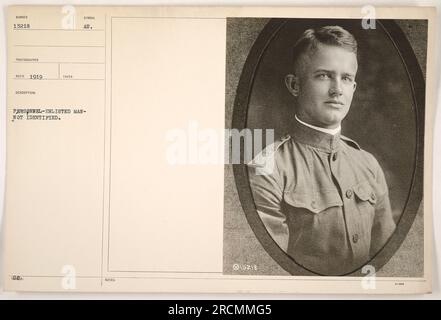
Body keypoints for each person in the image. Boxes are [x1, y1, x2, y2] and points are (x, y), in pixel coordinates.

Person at [247, 25, 396, 275]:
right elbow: (270, 277)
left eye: (346, 78)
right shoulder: (268, 169)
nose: (337, 89)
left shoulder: (368, 165)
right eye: (324, 75)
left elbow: (388, 264)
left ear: (353, 88)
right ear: (295, 85)